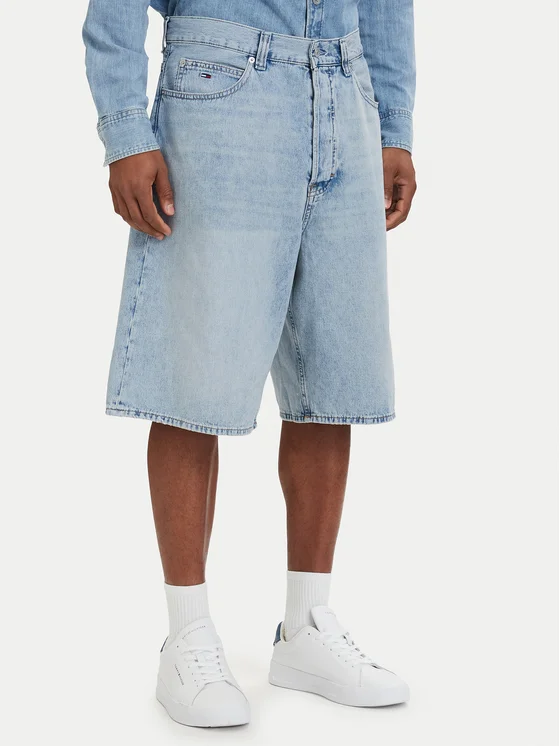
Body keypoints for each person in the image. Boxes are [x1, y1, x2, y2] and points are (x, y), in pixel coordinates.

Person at [83, 0, 416, 728]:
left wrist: (394, 125)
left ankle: (306, 626)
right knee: (193, 377)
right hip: (221, 93)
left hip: (347, 91)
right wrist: (125, 130)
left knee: (333, 375)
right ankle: (187, 634)